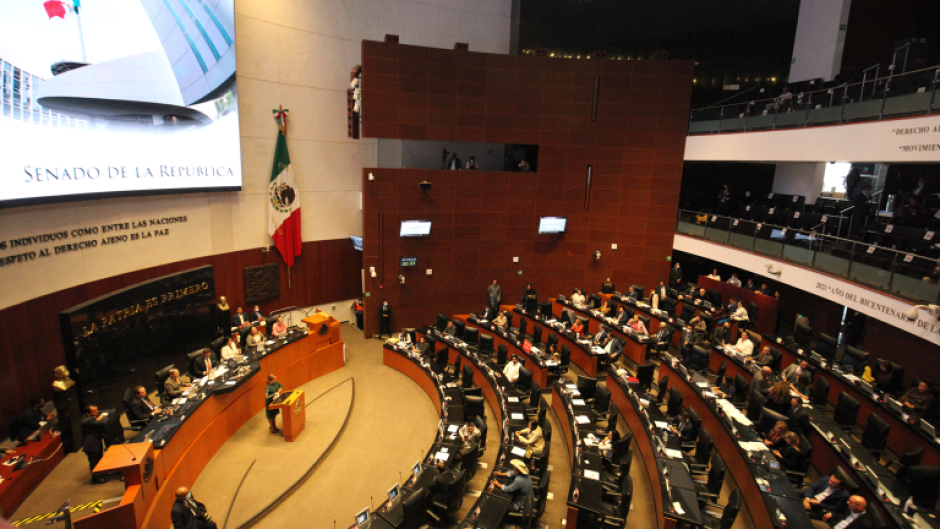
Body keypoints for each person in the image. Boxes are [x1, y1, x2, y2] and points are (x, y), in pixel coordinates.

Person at [81, 405, 111, 484]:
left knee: (100, 459)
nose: (97, 412)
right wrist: (101, 417)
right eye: (94, 411)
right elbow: (103, 422)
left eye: (96, 410)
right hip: (91, 445)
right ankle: (96, 479)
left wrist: (100, 416)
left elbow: (108, 410)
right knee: (94, 462)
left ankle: (101, 474)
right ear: (88, 413)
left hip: (97, 442)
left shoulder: (94, 415)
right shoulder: (87, 421)